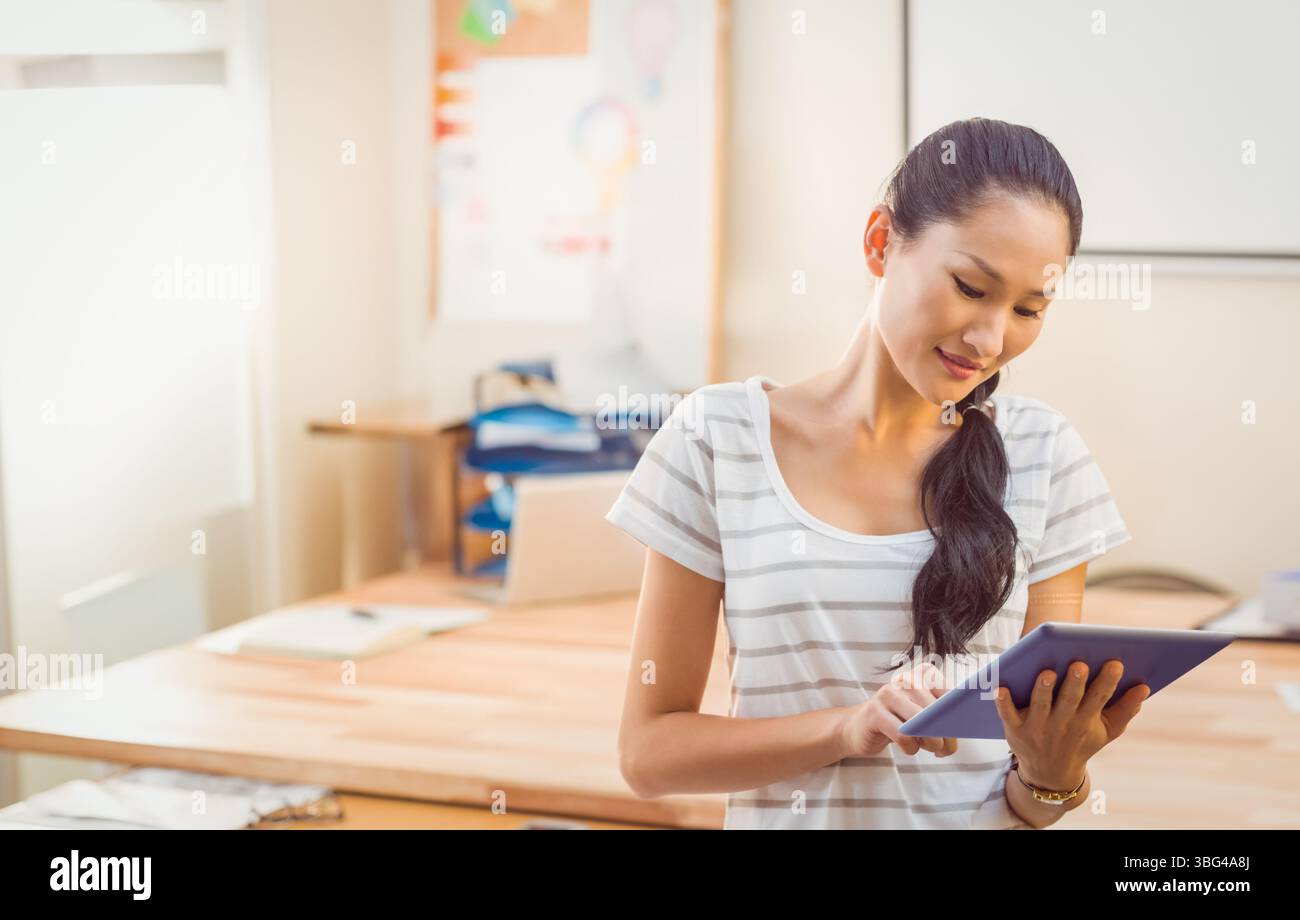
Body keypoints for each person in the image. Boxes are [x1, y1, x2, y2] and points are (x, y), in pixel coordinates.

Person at [604, 117, 1150, 830]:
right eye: (970, 286)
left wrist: (1054, 773)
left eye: (1026, 309)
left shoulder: (1046, 456)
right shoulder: (717, 440)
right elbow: (649, 754)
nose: (990, 340)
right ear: (880, 242)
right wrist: (846, 728)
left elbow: (1035, 800)